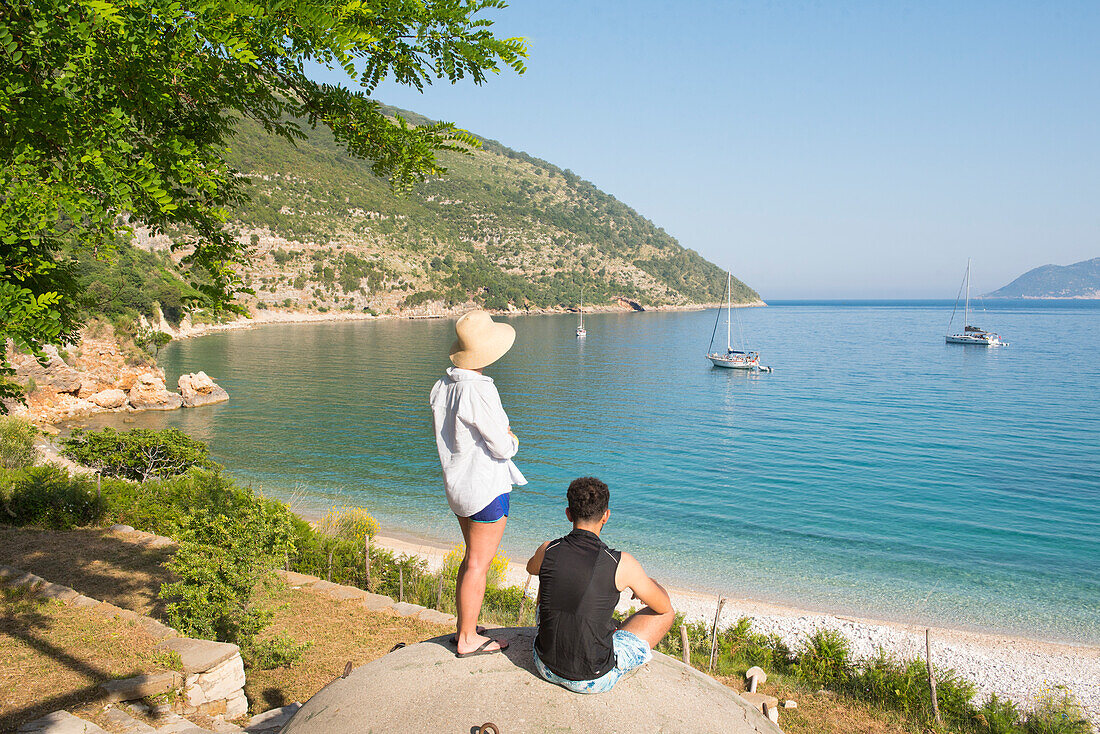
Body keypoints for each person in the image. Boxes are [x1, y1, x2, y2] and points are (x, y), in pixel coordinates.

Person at [430, 310, 527, 658]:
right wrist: (512, 438)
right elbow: (502, 446)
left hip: (457, 486)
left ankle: (465, 627)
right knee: (478, 564)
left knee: (470, 560)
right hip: (485, 487)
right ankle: (469, 638)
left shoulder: (442, 386)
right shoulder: (480, 389)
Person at [525, 477, 674, 693]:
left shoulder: (548, 548)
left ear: (568, 514)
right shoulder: (621, 563)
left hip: (544, 665)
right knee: (667, 613)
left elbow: (531, 568)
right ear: (606, 516)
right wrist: (652, 583)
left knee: (546, 573)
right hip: (591, 680)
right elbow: (663, 606)